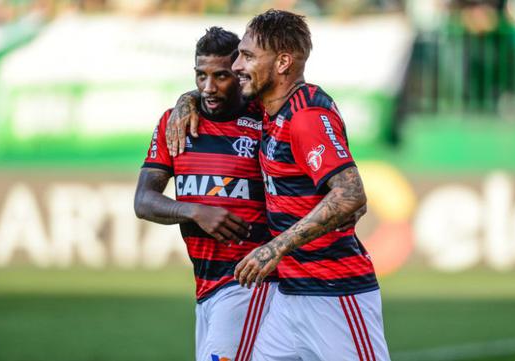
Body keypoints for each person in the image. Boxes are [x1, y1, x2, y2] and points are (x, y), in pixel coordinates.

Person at [166, 10, 390, 361]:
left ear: (283, 62)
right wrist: (187, 99)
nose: (238, 65)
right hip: (290, 296)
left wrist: (275, 248)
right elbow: (216, 91)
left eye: (249, 56)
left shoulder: (306, 118)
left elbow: (351, 194)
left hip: (334, 292)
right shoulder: (271, 108)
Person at [133, 27, 277, 361]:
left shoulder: (265, 119)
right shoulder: (175, 123)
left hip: (249, 281)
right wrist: (195, 211)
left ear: (239, 73)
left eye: (221, 76)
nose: (209, 88)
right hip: (206, 284)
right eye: (201, 76)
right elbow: (143, 201)